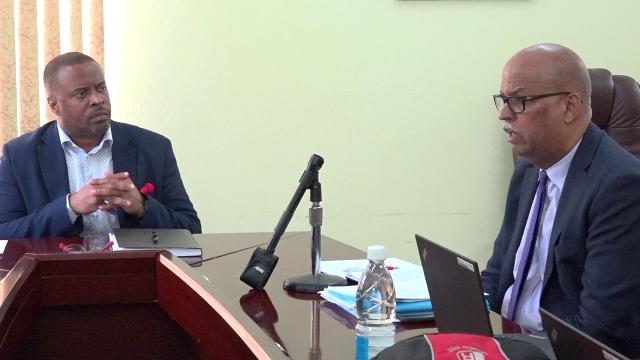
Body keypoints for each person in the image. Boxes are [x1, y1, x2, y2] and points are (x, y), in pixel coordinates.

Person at [481, 43, 640, 357]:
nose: (504, 113)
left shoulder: (622, 187)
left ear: (570, 106)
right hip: (509, 342)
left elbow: (599, 331)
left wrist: (512, 349)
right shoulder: (529, 169)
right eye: (503, 99)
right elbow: (498, 273)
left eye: (520, 100)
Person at [0, 52, 201, 239]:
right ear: (54, 106)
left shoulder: (154, 147)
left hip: (135, 271)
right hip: (57, 273)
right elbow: (4, 233)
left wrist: (141, 206)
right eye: (81, 94)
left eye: (101, 88)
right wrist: (69, 208)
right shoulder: (19, 156)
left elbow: (191, 229)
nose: (98, 99)